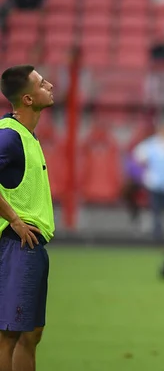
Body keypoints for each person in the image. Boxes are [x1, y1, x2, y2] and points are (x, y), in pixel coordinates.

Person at [0, 65, 55, 371]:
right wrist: (15, 221)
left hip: (32, 246)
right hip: (15, 244)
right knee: (7, 334)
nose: (51, 85)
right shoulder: (9, 138)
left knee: (31, 335)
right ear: (28, 99)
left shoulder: (26, 135)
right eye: (42, 83)